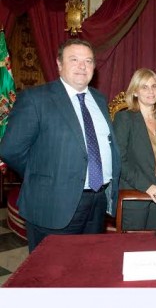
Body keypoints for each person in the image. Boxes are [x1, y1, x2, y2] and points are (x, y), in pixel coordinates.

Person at [0, 38, 120, 252]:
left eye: (88, 61)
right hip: (53, 202)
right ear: (59, 64)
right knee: (51, 275)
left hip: (96, 202)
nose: (82, 66)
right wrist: (46, 176)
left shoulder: (99, 100)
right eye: (74, 59)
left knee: (86, 268)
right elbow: (10, 149)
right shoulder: (36, 98)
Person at [113, 68, 156, 230]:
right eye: (144, 87)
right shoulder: (125, 118)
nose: (151, 91)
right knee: (134, 247)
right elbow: (119, 159)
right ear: (135, 92)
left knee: (155, 247)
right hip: (135, 193)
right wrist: (146, 185)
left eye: (154, 86)